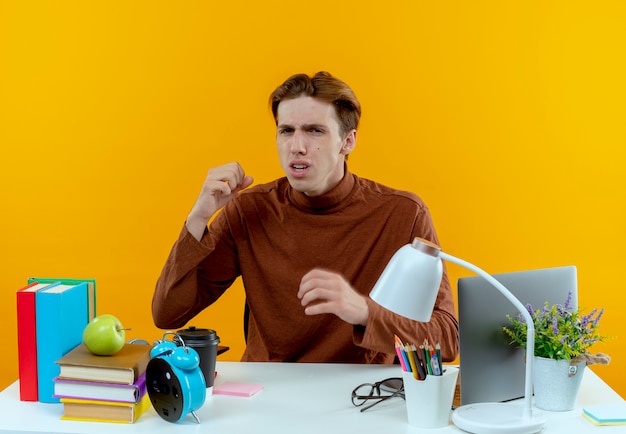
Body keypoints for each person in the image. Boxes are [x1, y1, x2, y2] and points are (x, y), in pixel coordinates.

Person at [152, 71, 458, 364]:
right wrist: (198, 217)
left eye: (315, 131)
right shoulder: (249, 211)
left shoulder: (404, 214)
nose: (297, 147)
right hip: (268, 391)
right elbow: (167, 315)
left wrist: (364, 312)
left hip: (363, 396)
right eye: (287, 131)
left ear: (348, 142)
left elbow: (446, 340)